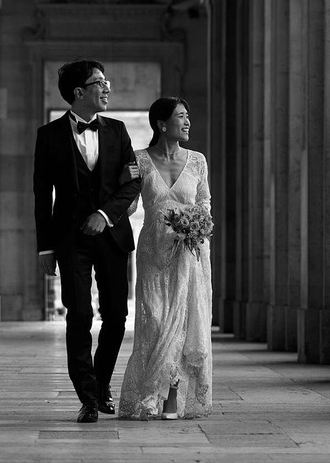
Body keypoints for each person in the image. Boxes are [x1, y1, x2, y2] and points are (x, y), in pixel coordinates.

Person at [33, 60, 141, 423]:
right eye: (100, 83)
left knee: (116, 316)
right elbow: (40, 195)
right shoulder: (47, 136)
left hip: (112, 236)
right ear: (79, 92)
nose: (108, 88)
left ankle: (102, 382)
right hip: (69, 240)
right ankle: (88, 397)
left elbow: (132, 184)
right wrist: (45, 248)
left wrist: (105, 214)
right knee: (79, 315)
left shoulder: (119, 131)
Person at [118, 96, 213, 420]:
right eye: (181, 117)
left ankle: (171, 398)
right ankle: (148, 394)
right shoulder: (139, 160)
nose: (187, 122)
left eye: (188, 116)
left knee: (183, 325)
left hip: (189, 253)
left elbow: (205, 204)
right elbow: (129, 205)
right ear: (161, 124)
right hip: (153, 251)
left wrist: (198, 225)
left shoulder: (197, 161)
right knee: (155, 321)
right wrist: (118, 191)